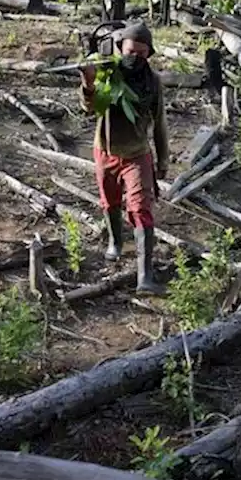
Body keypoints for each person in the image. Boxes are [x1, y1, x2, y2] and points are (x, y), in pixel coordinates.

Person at [79, 22, 170, 295]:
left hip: (137, 153)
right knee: (110, 201)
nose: (135, 58)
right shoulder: (108, 73)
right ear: (120, 49)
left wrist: (163, 160)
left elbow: (161, 123)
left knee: (141, 208)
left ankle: (145, 277)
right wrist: (88, 82)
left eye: (142, 54)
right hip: (106, 149)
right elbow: (89, 108)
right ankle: (116, 242)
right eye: (131, 51)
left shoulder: (152, 82)